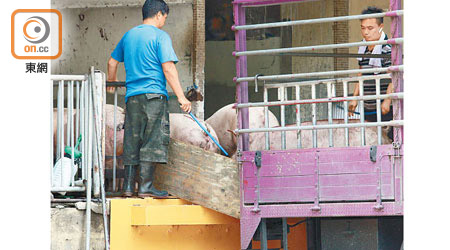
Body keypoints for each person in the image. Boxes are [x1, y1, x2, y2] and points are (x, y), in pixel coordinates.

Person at [106, 0, 191, 198]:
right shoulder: (160, 36)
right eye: (165, 18)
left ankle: (128, 187)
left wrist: (112, 81)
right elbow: (168, 68)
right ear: (159, 14)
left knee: (132, 140)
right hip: (154, 96)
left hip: (132, 97)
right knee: (152, 139)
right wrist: (181, 98)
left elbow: (112, 61)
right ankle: (145, 186)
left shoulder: (129, 35)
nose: (164, 22)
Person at [348, 6, 393, 140]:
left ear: (381, 27)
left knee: (388, 141)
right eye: (363, 28)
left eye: (370, 28)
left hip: (386, 109)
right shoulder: (363, 48)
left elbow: (394, 77)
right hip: (368, 107)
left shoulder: (386, 49)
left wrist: (387, 100)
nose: (366, 32)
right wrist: (355, 98)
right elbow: (361, 73)